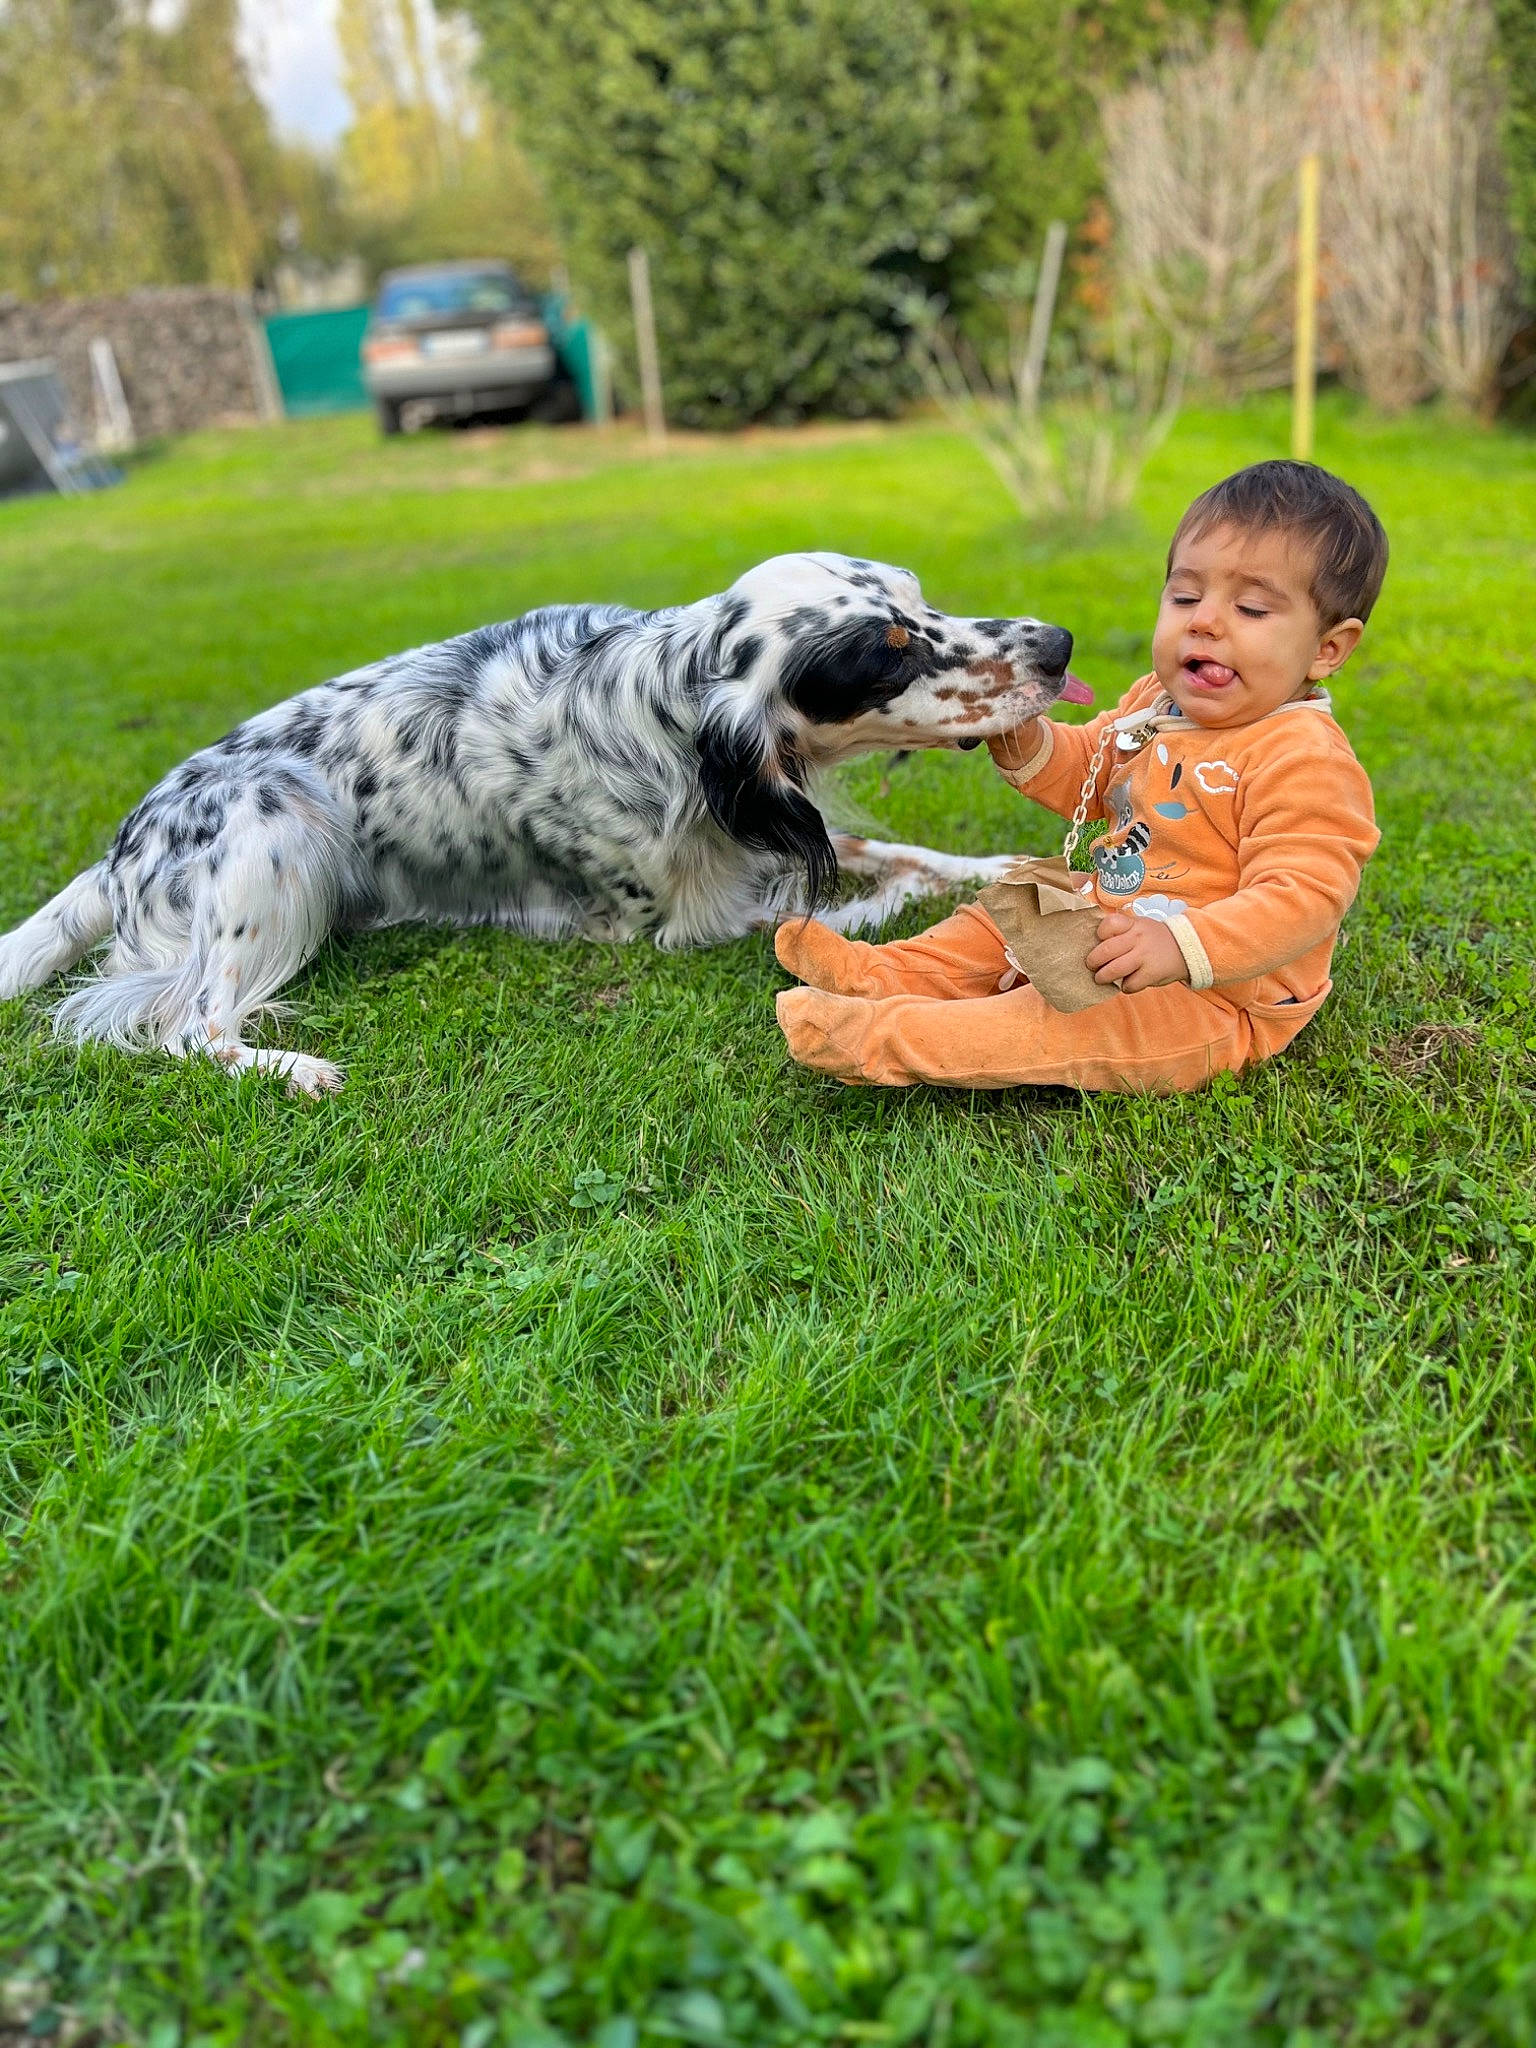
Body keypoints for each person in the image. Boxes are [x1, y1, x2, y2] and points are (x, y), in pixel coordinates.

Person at [774, 460, 1386, 1093]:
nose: (1204, 621)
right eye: (1184, 596)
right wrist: (1026, 735)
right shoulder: (1158, 702)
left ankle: (887, 1038)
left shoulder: (1304, 759)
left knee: (1058, 1023)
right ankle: (882, 973)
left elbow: (1302, 898)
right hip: (1111, 915)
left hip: (1212, 994)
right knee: (998, 918)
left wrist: (1179, 945)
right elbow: (1090, 772)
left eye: (1252, 608)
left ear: (1327, 649)